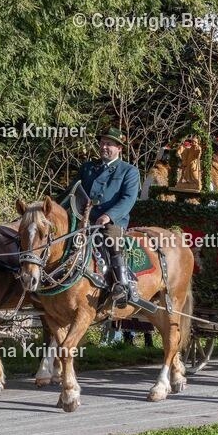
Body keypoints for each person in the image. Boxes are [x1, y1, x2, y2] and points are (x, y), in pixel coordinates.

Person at [79, 127, 145, 309]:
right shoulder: (87, 168)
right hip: (84, 219)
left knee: (112, 242)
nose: (104, 147)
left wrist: (108, 215)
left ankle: (121, 285)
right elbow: (74, 192)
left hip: (112, 222)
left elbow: (128, 199)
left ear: (119, 148)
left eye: (109, 144)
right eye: (102, 143)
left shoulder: (129, 171)